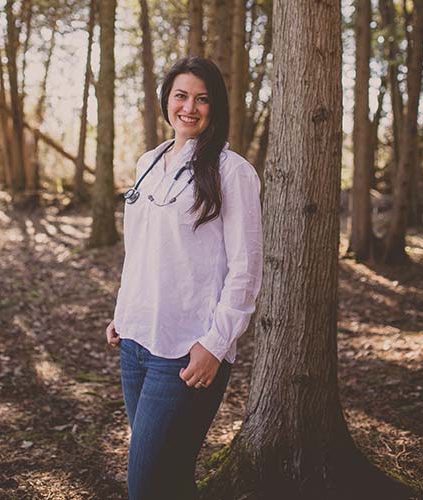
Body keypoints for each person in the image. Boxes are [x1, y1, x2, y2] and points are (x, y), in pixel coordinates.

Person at [105, 56, 263, 500]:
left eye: (202, 98)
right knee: (170, 481)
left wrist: (216, 344)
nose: (189, 107)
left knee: (145, 486)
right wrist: (124, 312)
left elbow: (246, 268)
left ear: (216, 107)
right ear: (167, 100)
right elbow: (139, 250)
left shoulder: (233, 172)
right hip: (135, 342)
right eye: (181, 95)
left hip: (186, 353)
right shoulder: (148, 162)